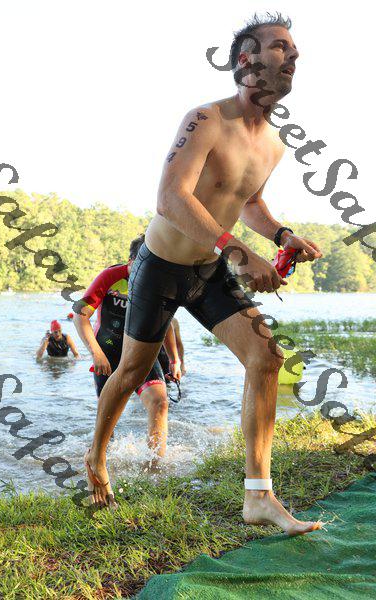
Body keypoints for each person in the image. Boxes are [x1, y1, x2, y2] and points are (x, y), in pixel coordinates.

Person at [84, 13, 324, 535]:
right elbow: (171, 198)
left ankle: (258, 496)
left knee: (266, 356)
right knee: (131, 373)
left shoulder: (275, 143)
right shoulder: (206, 119)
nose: (293, 55)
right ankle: (96, 458)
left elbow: (249, 202)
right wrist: (239, 252)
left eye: (294, 50)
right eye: (280, 47)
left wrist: (282, 236)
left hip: (209, 270)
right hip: (160, 267)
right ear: (247, 60)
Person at [73, 235, 182, 472]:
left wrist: (174, 359)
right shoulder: (110, 277)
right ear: (131, 261)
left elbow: (166, 323)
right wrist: (96, 354)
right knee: (108, 421)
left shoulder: (158, 283)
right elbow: (80, 315)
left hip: (142, 353)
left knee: (160, 402)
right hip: (108, 354)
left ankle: (154, 467)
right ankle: (100, 462)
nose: (147, 276)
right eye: (143, 267)